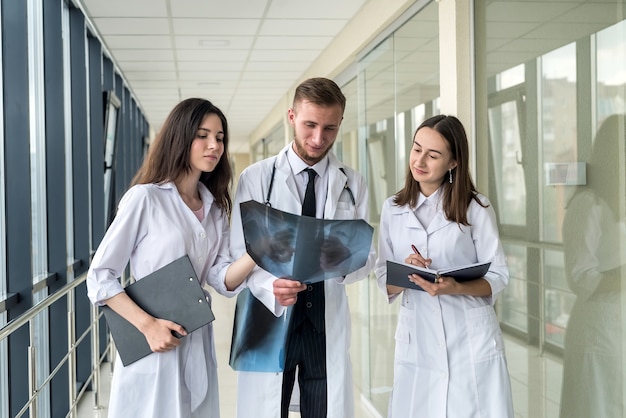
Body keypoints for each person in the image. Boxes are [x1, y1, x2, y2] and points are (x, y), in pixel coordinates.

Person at [86, 98, 255, 418]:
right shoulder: (145, 198)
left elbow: (221, 277)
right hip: (152, 340)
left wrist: (258, 254)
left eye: (220, 138)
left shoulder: (215, 207)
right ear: (181, 138)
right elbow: (100, 276)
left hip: (196, 336)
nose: (214, 145)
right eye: (203, 135)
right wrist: (148, 326)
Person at [229, 77, 375, 418]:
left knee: (323, 408)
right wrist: (270, 286)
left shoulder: (353, 183)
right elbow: (240, 254)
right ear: (291, 116)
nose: (318, 138)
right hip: (272, 314)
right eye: (310, 125)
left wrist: (344, 263)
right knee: (268, 407)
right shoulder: (256, 178)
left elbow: (367, 256)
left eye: (330, 128)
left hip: (323, 321)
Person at [374, 115, 514, 417]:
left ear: (453, 163)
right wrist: (406, 270)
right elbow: (384, 279)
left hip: (468, 336)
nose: (419, 160)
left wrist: (456, 287)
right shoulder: (393, 209)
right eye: (416, 149)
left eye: (433, 155)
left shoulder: (476, 207)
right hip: (418, 338)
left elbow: (499, 274)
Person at [559, 114, 626, 418]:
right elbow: (579, 276)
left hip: (618, 328)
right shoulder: (587, 202)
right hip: (597, 329)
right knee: (594, 408)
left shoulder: (618, 201)